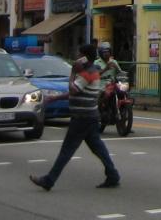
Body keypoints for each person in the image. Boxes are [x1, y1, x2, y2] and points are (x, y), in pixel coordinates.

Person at [30, 43, 121, 191]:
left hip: (82, 118)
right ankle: (112, 174)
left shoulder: (87, 73)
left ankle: (49, 180)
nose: (77, 57)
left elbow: (73, 89)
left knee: (67, 150)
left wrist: (72, 72)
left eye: (79, 55)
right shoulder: (91, 71)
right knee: (98, 148)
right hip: (90, 116)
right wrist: (55, 98)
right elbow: (77, 92)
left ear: (84, 57)